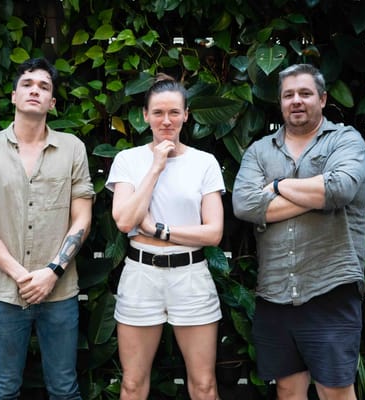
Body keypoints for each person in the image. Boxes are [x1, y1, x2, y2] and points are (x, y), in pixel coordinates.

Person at [232, 63, 365, 400]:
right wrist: (317, 195)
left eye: (305, 93)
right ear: (280, 103)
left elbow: (340, 190)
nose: (297, 100)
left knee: (334, 391)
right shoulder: (260, 150)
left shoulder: (346, 140)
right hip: (275, 290)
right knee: (287, 390)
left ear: (322, 99)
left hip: (330, 287)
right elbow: (245, 206)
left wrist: (277, 185)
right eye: (288, 95)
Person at [0, 57, 94, 400]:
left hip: (60, 292)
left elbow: (82, 217)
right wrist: (23, 276)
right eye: (27, 84)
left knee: (64, 388)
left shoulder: (73, 148)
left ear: (52, 102)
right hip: (5, 293)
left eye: (44, 87)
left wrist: (52, 271)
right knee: (3, 389)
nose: (35, 90)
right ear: (13, 96)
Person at [105, 73, 224, 400]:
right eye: (158, 112)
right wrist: (156, 165)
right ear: (145, 115)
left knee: (204, 385)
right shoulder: (128, 160)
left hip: (190, 276)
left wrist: (160, 229)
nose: (166, 120)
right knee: (131, 384)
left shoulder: (204, 163)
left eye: (174, 112)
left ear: (187, 115)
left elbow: (213, 232)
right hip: (141, 275)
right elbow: (125, 220)